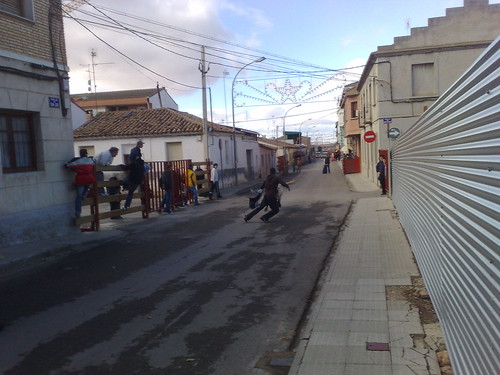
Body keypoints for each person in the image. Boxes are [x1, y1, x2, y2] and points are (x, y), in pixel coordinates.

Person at [65, 149, 95, 218]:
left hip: (81, 179)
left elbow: (67, 166)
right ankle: (85, 195)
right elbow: (94, 163)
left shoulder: (77, 161)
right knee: (86, 188)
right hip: (89, 178)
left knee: (78, 196)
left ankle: (78, 213)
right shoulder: (90, 160)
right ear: (86, 154)